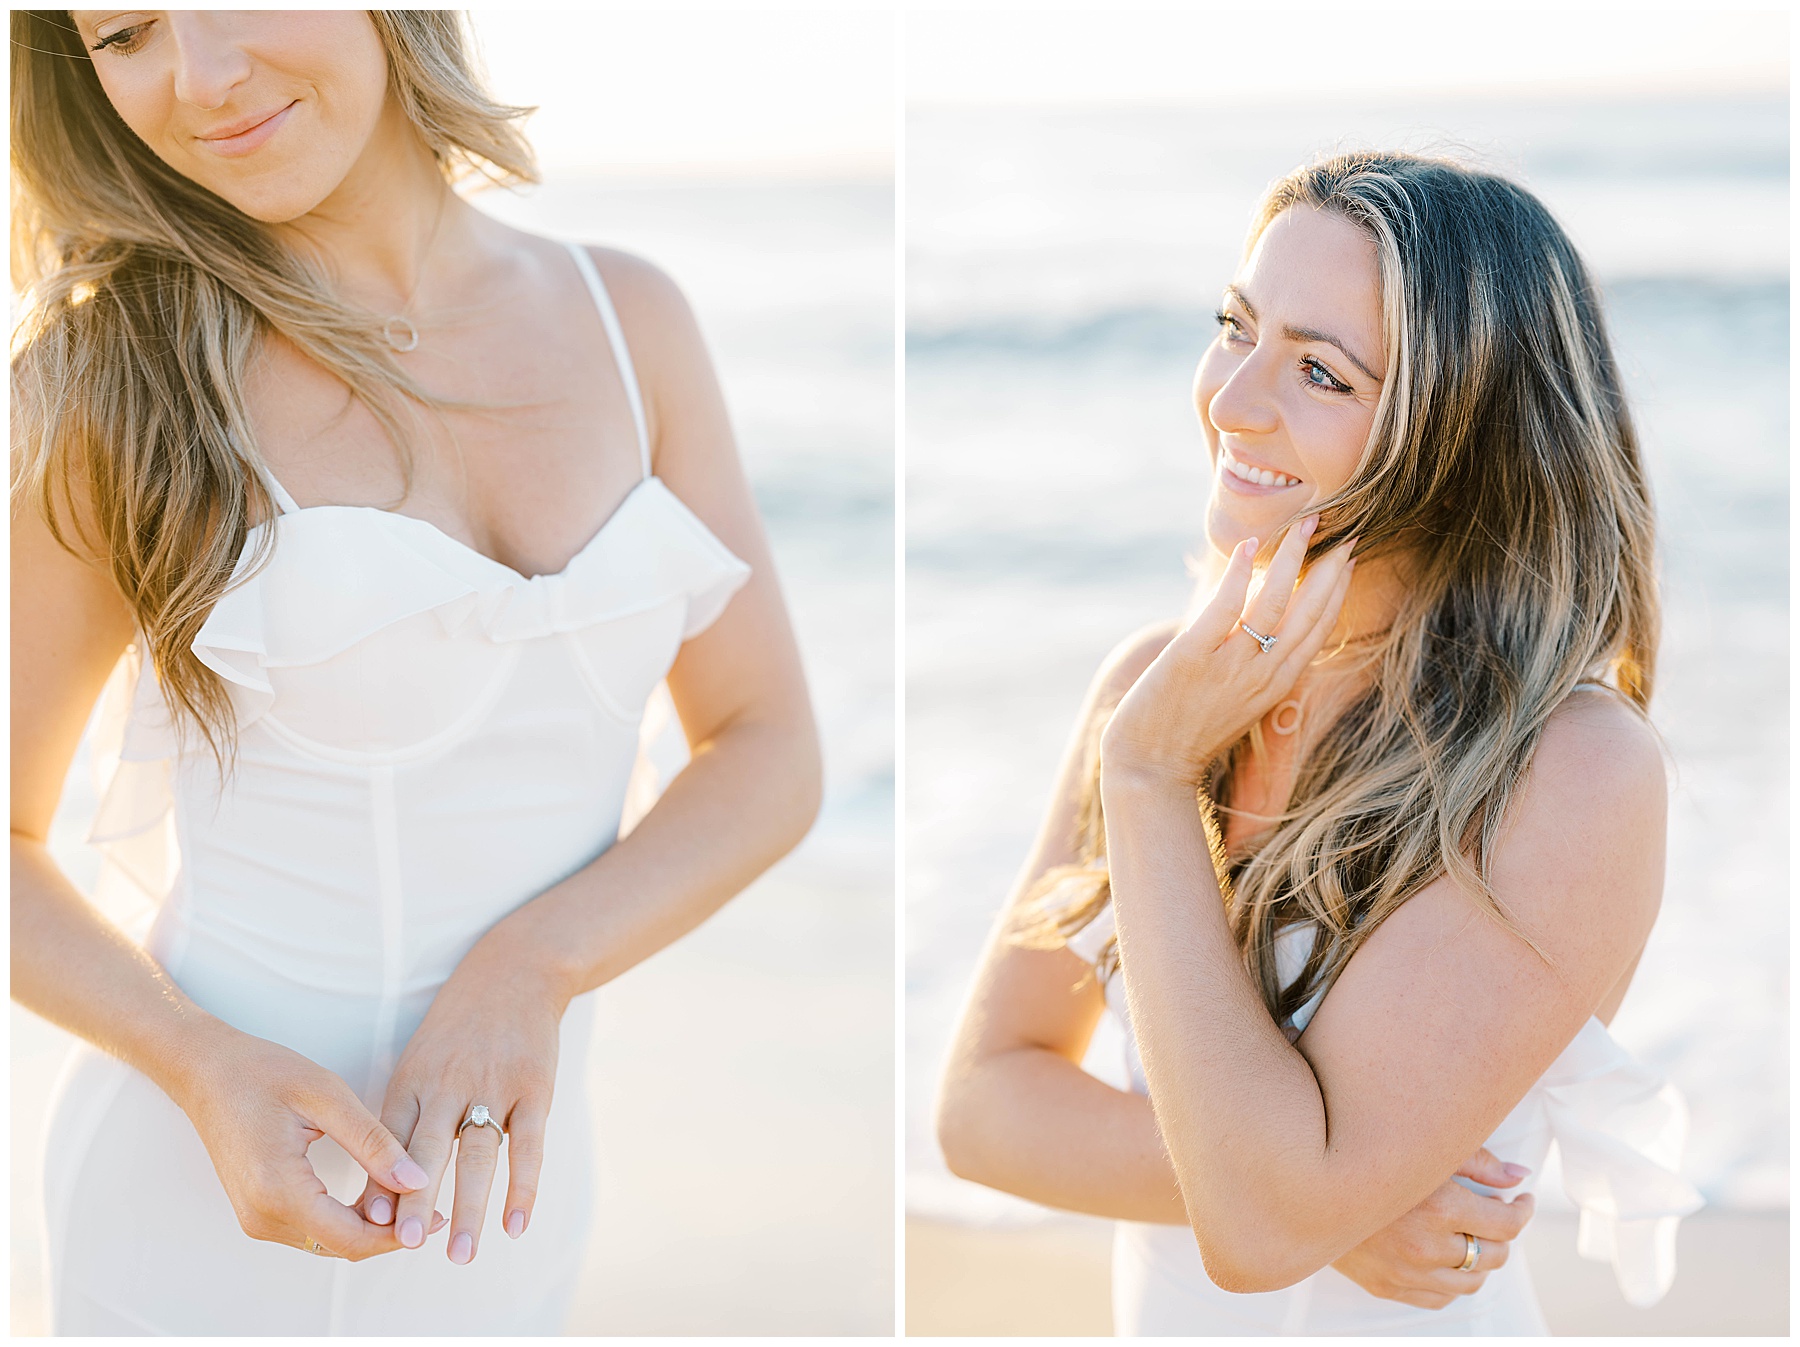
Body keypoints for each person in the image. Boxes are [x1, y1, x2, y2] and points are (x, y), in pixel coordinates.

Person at [12, 10, 820, 1335]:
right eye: (126, 33)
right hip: (198, 1207)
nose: (200, 79)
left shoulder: (632, 323)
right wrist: (201, 1063)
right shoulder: (114, 378)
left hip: (500, 1215)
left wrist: (538, 963)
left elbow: (768, 742)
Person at [936, 151, 1702, 1334]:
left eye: (1319, 373)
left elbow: (1259, 1233)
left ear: (1459, 435)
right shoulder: (1155, 692)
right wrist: (1342, 1205)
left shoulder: (1571, 770)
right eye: (1235, 328)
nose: (1233, 400)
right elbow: (984, 1110)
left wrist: (1148, 782)